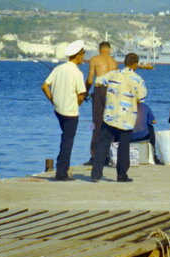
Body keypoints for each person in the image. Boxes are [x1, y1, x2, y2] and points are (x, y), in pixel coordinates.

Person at [91, 53, 147, 182]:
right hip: (126, 119)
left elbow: (99, 81)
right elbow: (142, 98)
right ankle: (121, 175)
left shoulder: (113, 74)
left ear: (124, 62)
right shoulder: (138, 79)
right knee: (124, 147)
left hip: (110, 116)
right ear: (135, 64)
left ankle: (95, 174)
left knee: (102, 145)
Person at [41, 39, 87, 181]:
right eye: (83, 54)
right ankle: (62, 173)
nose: (83, 58)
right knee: (68, 142)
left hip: (58, 109)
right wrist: (77, 104)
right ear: (78, 55)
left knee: (64, 139)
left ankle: (61, 167)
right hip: (71, 112)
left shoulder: (58, 69)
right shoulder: (77, 73)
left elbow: (44, 86)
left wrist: (52, 100)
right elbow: (81, 94)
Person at [84, 41, 119, 164]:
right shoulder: (114, 62)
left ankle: (94, 156)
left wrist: (85, 92)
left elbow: (89, 79)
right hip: (113, 92)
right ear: (110, 50)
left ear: (99, 49)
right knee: (111, 122)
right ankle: (110, 154)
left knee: (96, 122)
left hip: (99, 91)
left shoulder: (94, 59)